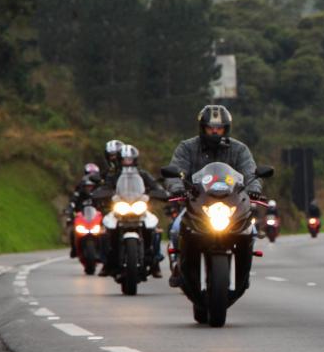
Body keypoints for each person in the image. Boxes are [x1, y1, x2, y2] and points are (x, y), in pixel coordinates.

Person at [165, 105, 263, 290]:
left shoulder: (239, 149)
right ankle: (178, 264)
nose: (215, 131)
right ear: (202, 128)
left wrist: (254, 189)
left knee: (252, 231)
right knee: (177, 228)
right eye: (211, 128)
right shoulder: (187, 147)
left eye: (220, 128)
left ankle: (244, 271)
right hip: (197, 202)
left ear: (227, 128)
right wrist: (177, 188)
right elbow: (175, 171)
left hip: (231, 204)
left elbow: (250, 172)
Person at [99, 144, 166, 278]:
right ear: (119, 159)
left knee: (154, 228)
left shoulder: (142, 174)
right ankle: (107, 263)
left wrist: (160, 192)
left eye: (130, 159)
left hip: (139, 208)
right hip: (119, 210)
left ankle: (155, 262)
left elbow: (155, 186)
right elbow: (105, 187)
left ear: (135, 159)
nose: (127, 162)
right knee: (105, 230)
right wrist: (101, 193)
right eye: (125, 159)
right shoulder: (114, 175)